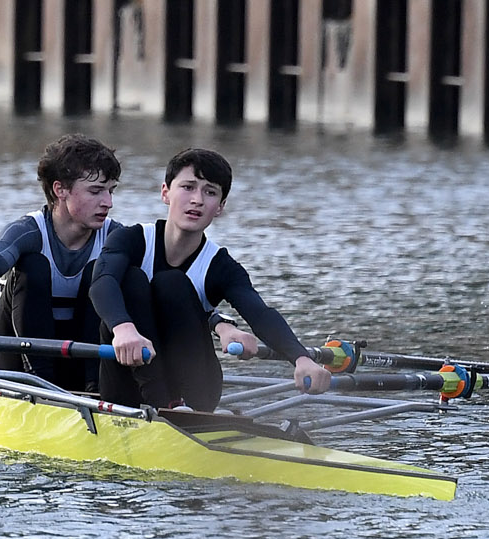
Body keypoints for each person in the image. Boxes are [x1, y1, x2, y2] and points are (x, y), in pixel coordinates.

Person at [86, 147, 332, 412]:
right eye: (188, 187)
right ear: (165, 193)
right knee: (130, 279)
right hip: (126, 388)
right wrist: (124, 329)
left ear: (220, 207)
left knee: (172, 283)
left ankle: (177, 408)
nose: (197, 200)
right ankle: (163, 404)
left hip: (195, 393)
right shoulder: (130, 239)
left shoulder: (221, 266)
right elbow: (102, 283)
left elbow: (260, 314)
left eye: (210, 192)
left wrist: (301, 358)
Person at [0, 134, 127, 390]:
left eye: (110, 191)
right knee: (34, 267)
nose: (108, 203)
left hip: (83, 366)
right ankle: (40, 384)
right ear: (60, 189)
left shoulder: (114, 236)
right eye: (95, 191)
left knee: (101, 273)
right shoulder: (29, 231)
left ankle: (94, 386)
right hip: (19, 368)